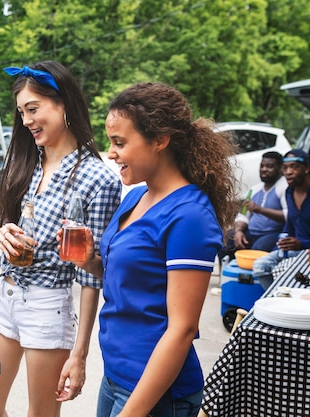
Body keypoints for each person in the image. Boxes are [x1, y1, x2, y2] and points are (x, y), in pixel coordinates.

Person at [72, 82, 238, 417]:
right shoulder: (135, 198)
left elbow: (182, 329)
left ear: (160, 140)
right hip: (116, 377)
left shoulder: (189, 214)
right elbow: (131, 283)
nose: (111, 152)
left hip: (157, 394)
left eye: (119, 142)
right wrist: (91, 260)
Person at [0, 61, 122, 417]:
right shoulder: (29, 161)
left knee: (40, 415)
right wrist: (3, 231)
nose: (26, 121)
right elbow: (14, 219)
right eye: (22, 112)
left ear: (64, 104)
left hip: (47, 305)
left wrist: (80, 354)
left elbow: (90, 276)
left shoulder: (98, 178)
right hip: (7, 295)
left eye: (34, 109)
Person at [252, 149, 310, 290]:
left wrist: (303, 243)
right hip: (296, 250)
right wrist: (278, 247)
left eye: (294, 167)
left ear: (306, 168)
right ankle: (278, 301)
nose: (288, 172)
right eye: (284, 168)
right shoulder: (289, 192)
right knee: (261, 266)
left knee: (284, 271)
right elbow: (290, 226)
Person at [218, 151, 288, 263]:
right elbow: (242, 215)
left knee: (257, 249)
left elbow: (288, 215)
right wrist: (238, 231)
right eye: (262, 166)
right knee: (226, 238)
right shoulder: (253, 190)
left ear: (280, 168)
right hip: (250, 232)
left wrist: (260, 210)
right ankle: (227, 273)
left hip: (273, 234)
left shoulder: (285, 188)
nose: (264, 169)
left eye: (269, 166)